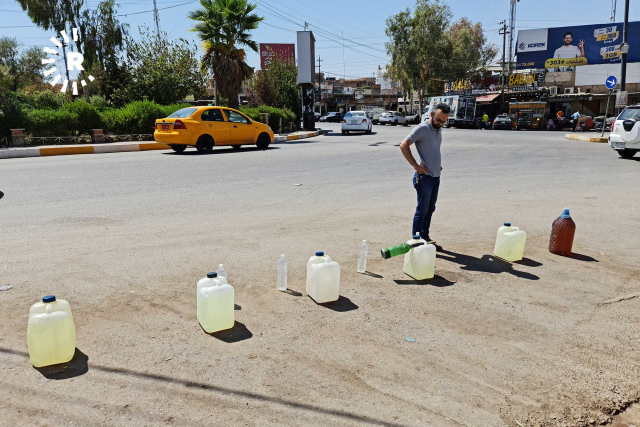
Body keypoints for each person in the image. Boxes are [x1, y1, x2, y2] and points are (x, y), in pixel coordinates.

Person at [399, 103, 450, 243]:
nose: (440, 123)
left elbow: (432, 149)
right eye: (439, 120)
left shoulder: (438, 129)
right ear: (432, 115)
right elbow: (403, 146)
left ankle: (425, 238)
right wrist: (416, 165)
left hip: (435, 176)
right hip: (424, 178)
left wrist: (436, 165)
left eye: (444, 121)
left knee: (430, 209)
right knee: (422, 210)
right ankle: (416, 241)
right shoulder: (422, 128)